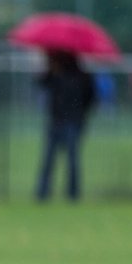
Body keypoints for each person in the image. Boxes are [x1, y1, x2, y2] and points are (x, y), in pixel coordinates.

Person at [34, 50, 97, 202]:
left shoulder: (82, 76)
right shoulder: (55, 73)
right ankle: (43, 193)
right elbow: (41, 83)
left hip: (73, 121)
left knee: (71, 160)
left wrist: (81, 114)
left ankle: (72, 194)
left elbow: (91, 98)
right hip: (57, 120)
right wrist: (48, 68)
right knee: (49, 159)